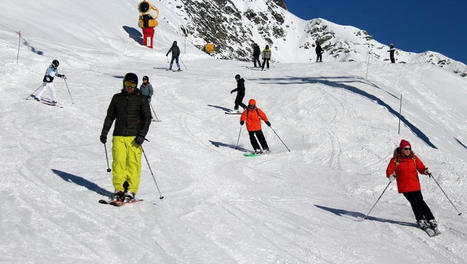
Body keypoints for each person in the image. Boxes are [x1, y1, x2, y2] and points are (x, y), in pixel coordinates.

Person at [100, 73, 152, 202]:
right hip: (118, 135)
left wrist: (141, 135)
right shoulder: (117, 98)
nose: (130, 87)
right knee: (118, 163)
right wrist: (104, 133)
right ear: (124, 84)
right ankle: (119, 189)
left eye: (132, 85)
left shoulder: (142, 99)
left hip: (134, 138)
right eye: (128, 85)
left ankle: (131, 190)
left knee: (133, 164)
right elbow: (110, 116)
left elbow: (147, 118)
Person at [386, 139, 437, 231]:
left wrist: (425, 171)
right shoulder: (395, 160)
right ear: (401, 149)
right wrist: (391, 176)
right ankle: (420, 219)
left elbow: (421, 167)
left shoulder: (414, 158)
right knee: (414, 202)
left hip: (415, 184)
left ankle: (431, 218)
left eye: (409, 148)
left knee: (420, 201)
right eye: (405, 149)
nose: (408, 150)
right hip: (404, 186)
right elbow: (389, 171)